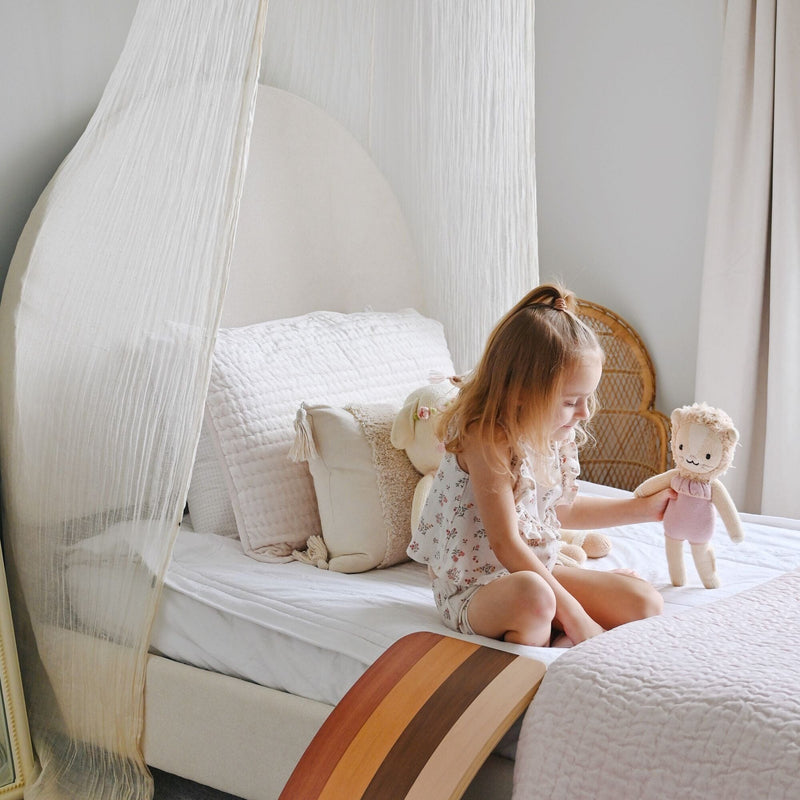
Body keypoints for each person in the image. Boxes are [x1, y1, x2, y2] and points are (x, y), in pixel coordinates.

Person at [407, 283, 675, 647]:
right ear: (520, 392)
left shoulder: (553, 434)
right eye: (570, 401)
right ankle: (552, 639)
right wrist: (578, 617)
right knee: (534, 597)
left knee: (645, 602)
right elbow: (506, 544)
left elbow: (558, 510)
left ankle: (557, 629)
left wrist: (643, 509)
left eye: (586, 398)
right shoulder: (486, 439)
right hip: (479, 590)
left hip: (538, 571)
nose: (583, 412)